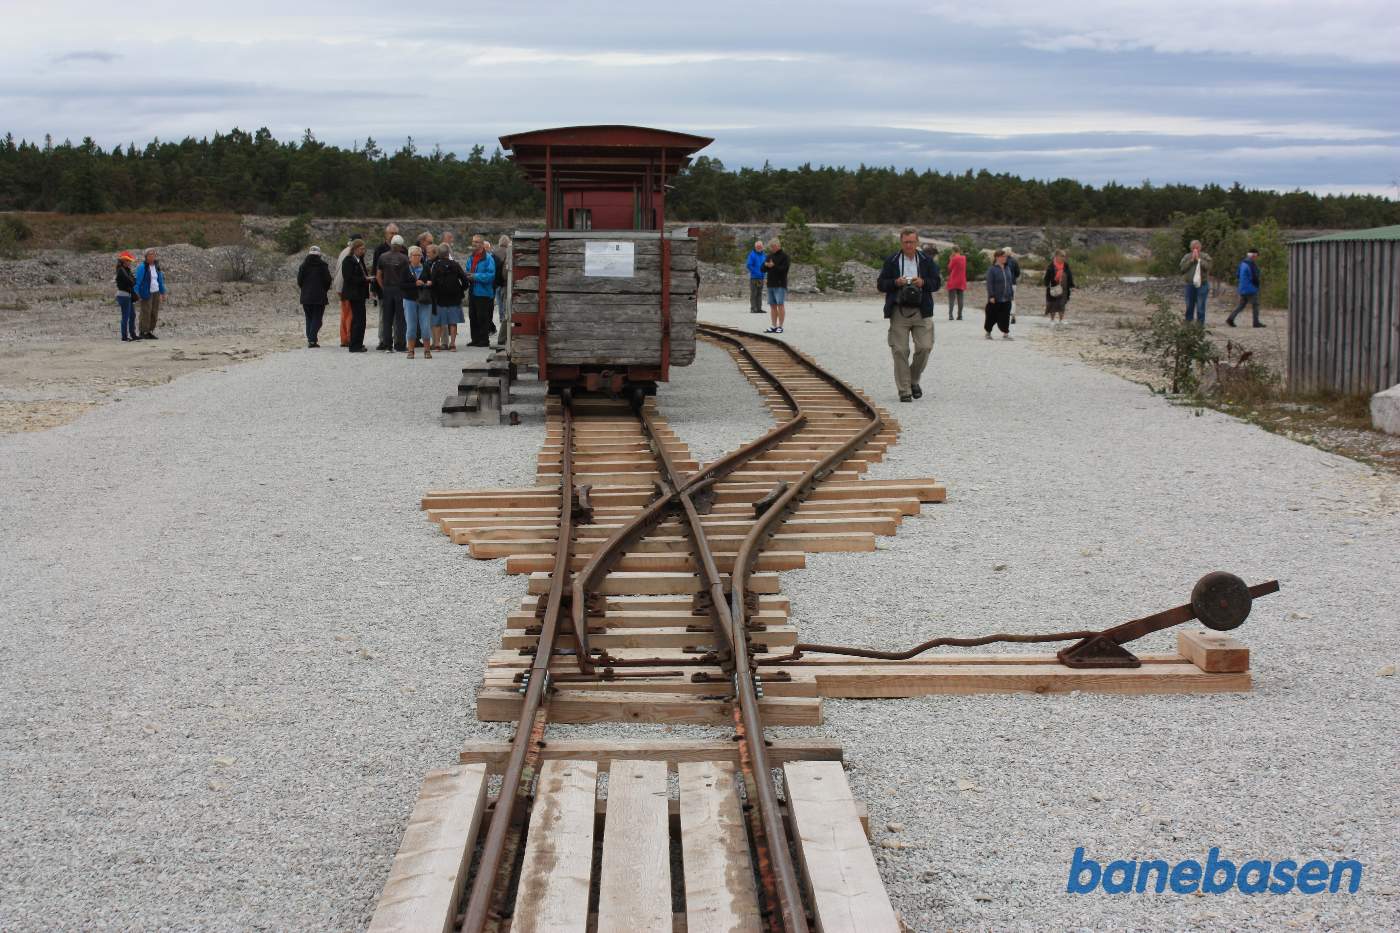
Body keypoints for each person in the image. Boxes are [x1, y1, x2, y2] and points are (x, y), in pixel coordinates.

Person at [877, 227, 939, 403]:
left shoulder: (926, 260)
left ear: (917, 242)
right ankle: (904, 389)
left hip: (922, 309)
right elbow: (881, 284)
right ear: (901, 243)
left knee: (925, 347)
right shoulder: (892, 260)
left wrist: (924, 282)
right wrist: (896, 282)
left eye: (912, 242)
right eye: (906, 242)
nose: (909, 245)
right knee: (900, 350)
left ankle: (913, 379)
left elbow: (937, 283)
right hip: (899, 309)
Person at [430, 242, 469, 351]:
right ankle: (452, 344)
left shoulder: (436, 266)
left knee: (438, 322)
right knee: (452, 322)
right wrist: (460, 291)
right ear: (448, 253)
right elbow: (465, 280)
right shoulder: (455, 265)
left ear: (439, 253)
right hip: (454, 298)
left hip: (439, 298)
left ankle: (437, 345)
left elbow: (432, 282)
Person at [376, 234, 410, 351]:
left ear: (391, 244)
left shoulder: (382, 257)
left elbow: (378, 275)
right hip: (400, 290)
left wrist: (383, 287)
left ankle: (387, 345)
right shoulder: (405, 258)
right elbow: (408, 277)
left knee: (387, 319)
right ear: (401, 246)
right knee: (400, 319)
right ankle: (400, 345)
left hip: (387, 290)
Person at [296, 245, 333, 347]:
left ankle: (311, 339)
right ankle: (312, 339)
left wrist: (305, 289)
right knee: (317, 319)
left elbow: (299, 281)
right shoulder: (323, 266)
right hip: (319, 296)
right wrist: (324, 290)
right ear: (319, 254)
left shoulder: (303, 266)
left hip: (306, 296)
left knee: (309, 318)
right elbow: (328, 280)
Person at [464, 234, 498, 347]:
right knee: (472, 316)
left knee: (482, 317)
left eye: (477, 242)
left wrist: (475, 276)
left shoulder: (488, 258)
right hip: (473, 291)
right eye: (473, 241)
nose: (474, 244)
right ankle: (475, 339)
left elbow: (491, 275)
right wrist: (467, 275)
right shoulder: (471, 257)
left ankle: (484, 340)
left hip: (483, 292)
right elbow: (468, 270)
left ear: (482, 244)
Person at [331, 233, 361, 347]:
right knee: (350, 313)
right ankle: (349, 338)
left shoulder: (344, 251)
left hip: (339, 285)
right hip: (346, 287)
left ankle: (344, 338)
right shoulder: (351, 253)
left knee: (344, 312)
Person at [341, 239, 371, 352]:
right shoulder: (348, 261)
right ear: (355, 249)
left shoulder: (359, 260)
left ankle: (358, 342)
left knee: (361, 319)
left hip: (360, 293)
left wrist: (366, 279)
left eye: (364, 249)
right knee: (358, 320)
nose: (364, 251)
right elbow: (348, 278)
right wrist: (364, 279)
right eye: (361, 249)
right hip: (354, 294)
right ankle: (354, 345)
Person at [403, 245, 433, 359]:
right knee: (411, 326)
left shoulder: (426, 267)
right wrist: (414, 284)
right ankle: (411, 351)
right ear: (409, 257)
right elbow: (401, 285)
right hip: (409, 299)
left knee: (425, 326)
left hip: (424, 300)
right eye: (415, 255)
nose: (417, 257)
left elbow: (433, 280)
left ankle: (427, 350)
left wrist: (430, 283)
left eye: (419, 255)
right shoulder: (405, 269)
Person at [133, 247, 166, 339]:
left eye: (154, 255)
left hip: (156, 292)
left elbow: (160, 281)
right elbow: (138, 281)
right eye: (150, 255)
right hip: (146, 292)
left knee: (154, 312)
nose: (152, 256)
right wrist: (136, 293)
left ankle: (150, 330)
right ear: (146, 256)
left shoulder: (156, 267)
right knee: (145, 312)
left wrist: (163, 293)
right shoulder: (142, 267)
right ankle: (143, 331)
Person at [1227, 248, 1264, 328]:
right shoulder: (1251, 264)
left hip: (1242, 288)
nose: (1256, 258)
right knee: (1255, 305)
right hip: (1250, 288)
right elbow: (1255, 277)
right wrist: (1256, 285)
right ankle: (1256, 322)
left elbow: (1237, 275)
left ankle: (1230, 318)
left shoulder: (1242, 263)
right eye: (1256, 256)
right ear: (1254, 255)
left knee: (1241, 305)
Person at [984, 249, 1015, 340]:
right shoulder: (992, 270)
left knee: (1006, 316)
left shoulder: (1007, 268)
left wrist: (1011, 294)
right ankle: (988, 332)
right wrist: (991, 296)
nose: (1005, 258)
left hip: (1007, 297)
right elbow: (989, 284)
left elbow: (1010, 282)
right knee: (991, 316)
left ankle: (1006, 333)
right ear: (997, 257)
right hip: (996, 298)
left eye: (1005, 256)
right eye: (1003, 256)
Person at [1180, 239, 1212, 325]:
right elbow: (1182, 269)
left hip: (1202, 284)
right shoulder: (1187, 257)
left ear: (1200, 247)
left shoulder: (1205, 256)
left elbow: (1208, 267)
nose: (1195, 249)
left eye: (1197, 247)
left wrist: (1199, 260)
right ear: (1191, 248)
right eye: (1193, 247)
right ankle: (1188, 321)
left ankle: (1200, 323)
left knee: (1200, 304)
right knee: (1189, 304)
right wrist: (1191, 261)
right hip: (1190, 284)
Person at [763, 237, 790, 333]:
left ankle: (780, 326)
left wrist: (773, 266)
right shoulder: (769, 256)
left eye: (773, 246)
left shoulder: (785, 256)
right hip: (770, 284)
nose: (772, 248)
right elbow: (762, 269)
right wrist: (766, 265)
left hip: (780, 284)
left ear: (778, 246)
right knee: (772, 305)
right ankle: (773, 326)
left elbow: (784, 270)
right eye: (771, 247)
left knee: (780, 304)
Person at [1042, 249, 1075, 326]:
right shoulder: (1051, 266)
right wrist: (1047, 285)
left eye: (1064, 256)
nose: (1064, 258)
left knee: (1062, 304)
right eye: (1062, 256)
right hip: (1053, 288)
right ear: (1056, 256)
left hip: (1064, 288)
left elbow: (1070, 276)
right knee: (1052, 304)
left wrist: (1072, 286)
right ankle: (1052, 320)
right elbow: (1046, 278)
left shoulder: (1066, 265)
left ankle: (1061, 319)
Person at [493, 235, 512, 344]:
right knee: (505, 307)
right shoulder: (508, 253)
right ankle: (502, 320)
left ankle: (500, 317)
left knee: (499, 302)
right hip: (505, 284)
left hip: (497, 283)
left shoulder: (494, 252)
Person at [115, 251, 137, 341]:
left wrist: (132, 281)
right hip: (124, 295)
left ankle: (133, 334)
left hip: (127, 295)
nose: (130, 262)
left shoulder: (126, 270)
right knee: (126, 316)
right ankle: (124, 336)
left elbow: (133, 281)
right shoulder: (121, 270)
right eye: (128, 261)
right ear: (123, 261)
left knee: (132, 315)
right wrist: (132, 281)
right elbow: (131, 282)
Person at [745, 239, 767, 313]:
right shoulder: (752, 254)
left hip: (761, 278)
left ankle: (759, 308)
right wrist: (756, 272)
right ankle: (753, 308)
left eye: (760, 246)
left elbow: (766, 265)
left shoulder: (764, 255)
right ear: (755, 247)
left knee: (759, 293)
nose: (759, 247)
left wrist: (764, 273)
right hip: (754, 278)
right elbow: (749, 265)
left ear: (762, 247)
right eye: (757, 246)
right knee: (754, 293)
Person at [946, 244, 967, 320]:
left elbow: (949, 268)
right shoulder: (964, 258)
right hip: (961, 280)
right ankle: (960, 315)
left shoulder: (954, 258)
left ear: (953, 251)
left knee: (952, 298)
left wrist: (951, 259)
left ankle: (951, 315)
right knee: (960, 298)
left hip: (953, 279)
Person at [1003, 246, 1021, 324]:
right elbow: (1018, 273)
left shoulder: (1002, 261)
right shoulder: (1014, 261)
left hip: (1004, 283)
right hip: (1013, 283)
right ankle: (1013, 316)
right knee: (1012, 299)